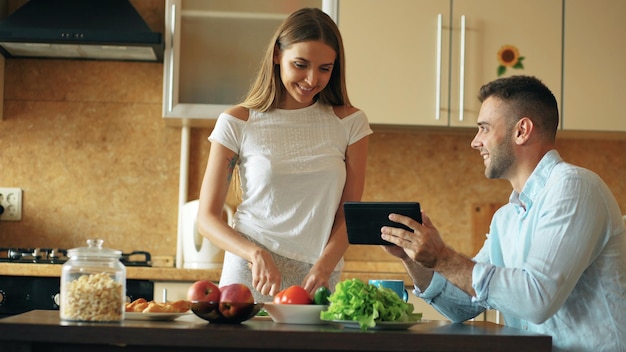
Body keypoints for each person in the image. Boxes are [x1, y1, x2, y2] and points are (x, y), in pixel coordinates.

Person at [380, 75, 626, 351]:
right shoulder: (506, 219)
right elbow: (462, 307)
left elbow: (537, 300)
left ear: (522, 130)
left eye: (484, 128)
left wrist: (443, 256)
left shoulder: (574, 187)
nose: (475, 142)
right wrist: (414, 258)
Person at [196, 8, 372, 302]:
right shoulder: (238, 122)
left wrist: (325, 265)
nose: (312, 79)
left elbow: (348, 213)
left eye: (325, 68)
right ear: (277, 55)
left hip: (319, 273)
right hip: (251, 271)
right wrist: (254, 253)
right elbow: (207, 218)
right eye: (300, 64)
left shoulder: (350, 123)